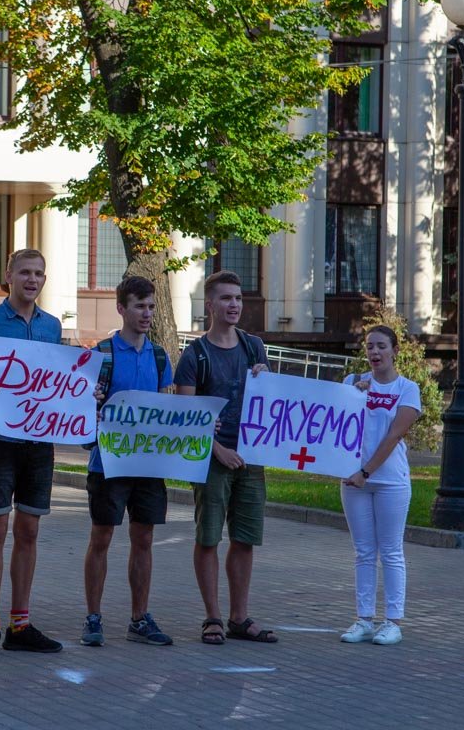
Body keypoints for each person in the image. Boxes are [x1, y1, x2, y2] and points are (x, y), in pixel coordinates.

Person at [0, 248, 64, 657]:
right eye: (25, 272)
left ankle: (20, 624)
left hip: (39, 445)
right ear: (8, 275)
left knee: (29, 531)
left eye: (39, 273)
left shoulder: (52, 327)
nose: (32, 279)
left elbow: (59, 382)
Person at [174, 270, 276, 646]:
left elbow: (270, 403)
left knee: (245, 539)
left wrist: (266, 378)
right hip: (212, 461)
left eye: (238, 298)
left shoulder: (254, 347)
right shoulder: (195, 355)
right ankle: (213, 617)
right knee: (208, 538)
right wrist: (219, 450)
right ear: (210, 305)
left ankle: (239, 617)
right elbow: (187, 417)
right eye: (226, 298)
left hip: (252, 457)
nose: (234, 305)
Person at [80, 276, 175, 648]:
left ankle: (139, 618)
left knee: (144, 538)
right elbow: (81, 406)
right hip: (108, 462)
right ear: (121, 308)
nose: (147, 313)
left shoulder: (159, 356)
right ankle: (93, 617)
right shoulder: (102, 354)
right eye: (139, 306)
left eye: (151, 306)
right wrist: (91, 398)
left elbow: (170, 410)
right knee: (101, 536)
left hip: (148, 463)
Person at [338, 325, 421, 647]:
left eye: (381, 347)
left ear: (395, 350)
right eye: (370, 347)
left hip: (389, 482)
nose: (374, 353)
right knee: (363, 552)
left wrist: (366, 472)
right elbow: (330, 420)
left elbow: (394, 435)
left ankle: (393, 621)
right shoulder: (352, 384)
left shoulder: (407, 389)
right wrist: (353, 397)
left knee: (391, 551)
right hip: (353, 480)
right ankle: (363, 619)